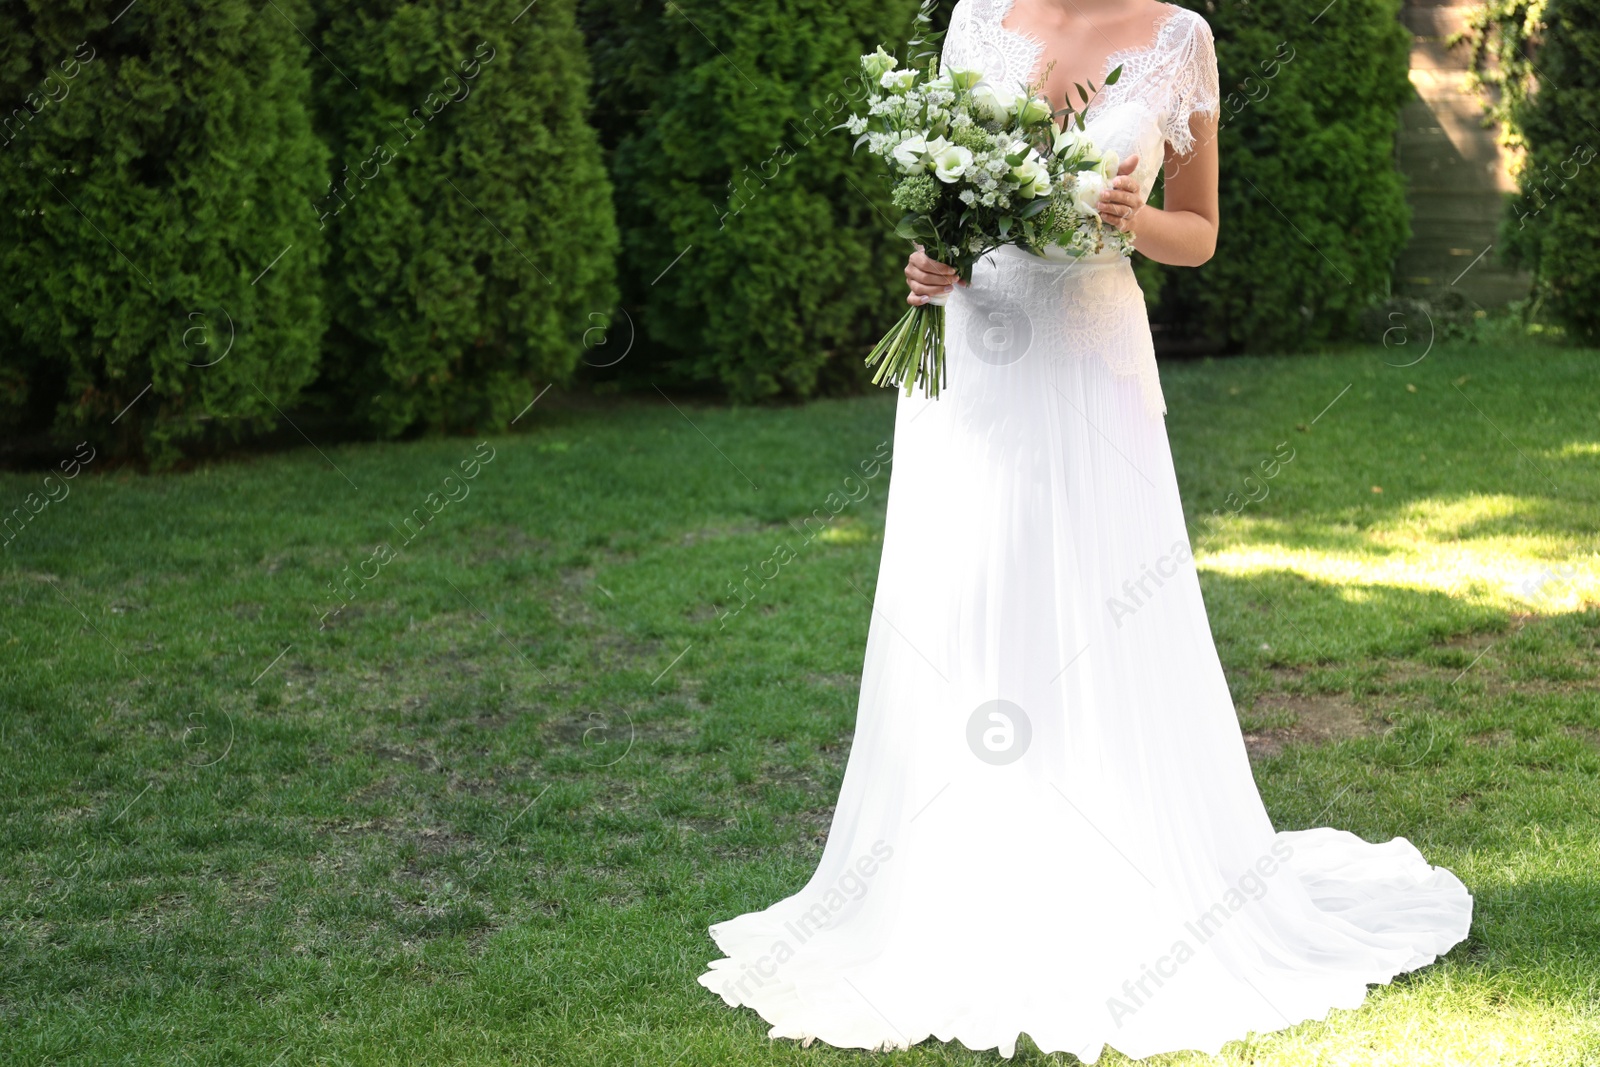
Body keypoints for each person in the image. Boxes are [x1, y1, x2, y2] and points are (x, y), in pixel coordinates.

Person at [698, 0, 1473, 1059]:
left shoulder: (1177, 39)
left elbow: (1195, 236)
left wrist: (1130, 221)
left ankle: (1109, 869)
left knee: (1098, 606)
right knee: (966, 599)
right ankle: (955, 877)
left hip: (1089, 352)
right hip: (971, 356)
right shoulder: (974, 19)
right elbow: (946, 198)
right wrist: (930, 262)